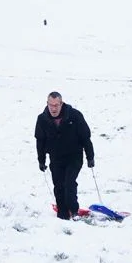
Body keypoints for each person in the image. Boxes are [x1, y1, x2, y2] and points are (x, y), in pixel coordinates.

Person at [35, 91, 94, 220]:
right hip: (56, 158)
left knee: (69, 183)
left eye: (56, 105)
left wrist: (90, 156)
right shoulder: (42, 119)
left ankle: (73, 211)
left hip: (74, 156)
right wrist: (41, 160)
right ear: (47, 104)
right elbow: (40, 140)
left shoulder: (74, 116)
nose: (53, 108)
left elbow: (85, 137)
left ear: (61, 104)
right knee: (58, 186)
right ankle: (62, 214)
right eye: (51, 105)